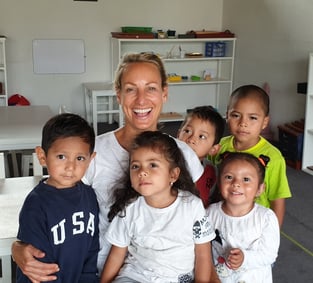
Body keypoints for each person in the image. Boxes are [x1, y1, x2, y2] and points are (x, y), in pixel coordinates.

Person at [12, 53, 205, 282]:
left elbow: (200, 225)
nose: (141, 100)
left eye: (151, 88)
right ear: (119, 95)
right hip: (98, 272)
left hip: (168, 274)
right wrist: (18, 246)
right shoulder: (93, 154)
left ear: (164, 92)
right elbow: (56, 205)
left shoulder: (183, 155)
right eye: (131, 89)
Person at [101, 131, 216, 283]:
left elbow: (203, 253)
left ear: (173, 175)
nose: (142, 172)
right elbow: (116, 254)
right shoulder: (129, 208)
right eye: (135, 166)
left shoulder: (192, 206)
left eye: (153, 165)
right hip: (135, 277)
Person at [16, 113, 99, 283]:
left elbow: (91, 252)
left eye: (80, 158)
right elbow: (40, 266)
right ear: (42, 156)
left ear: (90, 160)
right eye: (61, 156)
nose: (70, 167)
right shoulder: (36, 204)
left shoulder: (89, 196)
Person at [209, 84, 291, 227]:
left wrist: (272, 236)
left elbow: (277, 200)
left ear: (264, 122)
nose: (243, 124)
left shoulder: (273, 157)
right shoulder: (220, 146)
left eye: (252, 118)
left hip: (254, 225)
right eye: (236, 115)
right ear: (227, 115)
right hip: (221, 218)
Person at [207, 152, 280, 283]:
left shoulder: (266, 218)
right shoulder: (210, 213)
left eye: (246, 179)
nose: (236, 184)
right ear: (219, 182)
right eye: (229, 177)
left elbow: (269, 255)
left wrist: (245, 258)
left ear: (260, 188)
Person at [178, 105, 225, 208]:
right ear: (178, 134)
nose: (191, 139)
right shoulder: (166, 164)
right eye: (187, 131)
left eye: (202, 136)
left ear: (213, 149)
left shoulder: (211, 171)